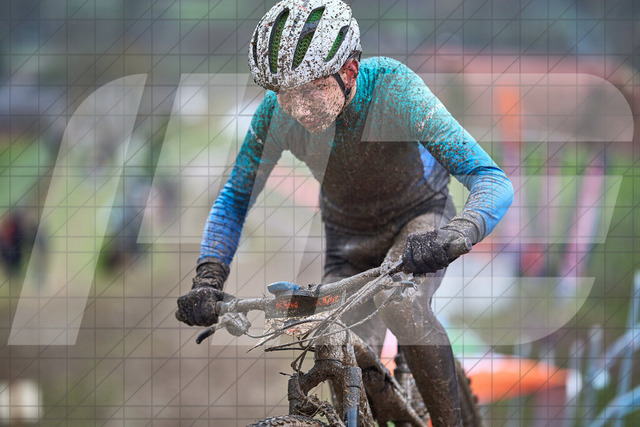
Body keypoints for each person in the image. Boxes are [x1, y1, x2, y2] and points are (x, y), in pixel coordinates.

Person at [176, 0, 514, 425]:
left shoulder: (394, 88)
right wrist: (209, 277)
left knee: (402, 304)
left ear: (350, 70)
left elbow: (491, 178)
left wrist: (458, 232)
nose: (298, 108)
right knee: (333, 342)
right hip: (347, 242)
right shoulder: (274, 115)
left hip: (420, 221)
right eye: (284, 93)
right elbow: (235, 197)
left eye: (312, 89)